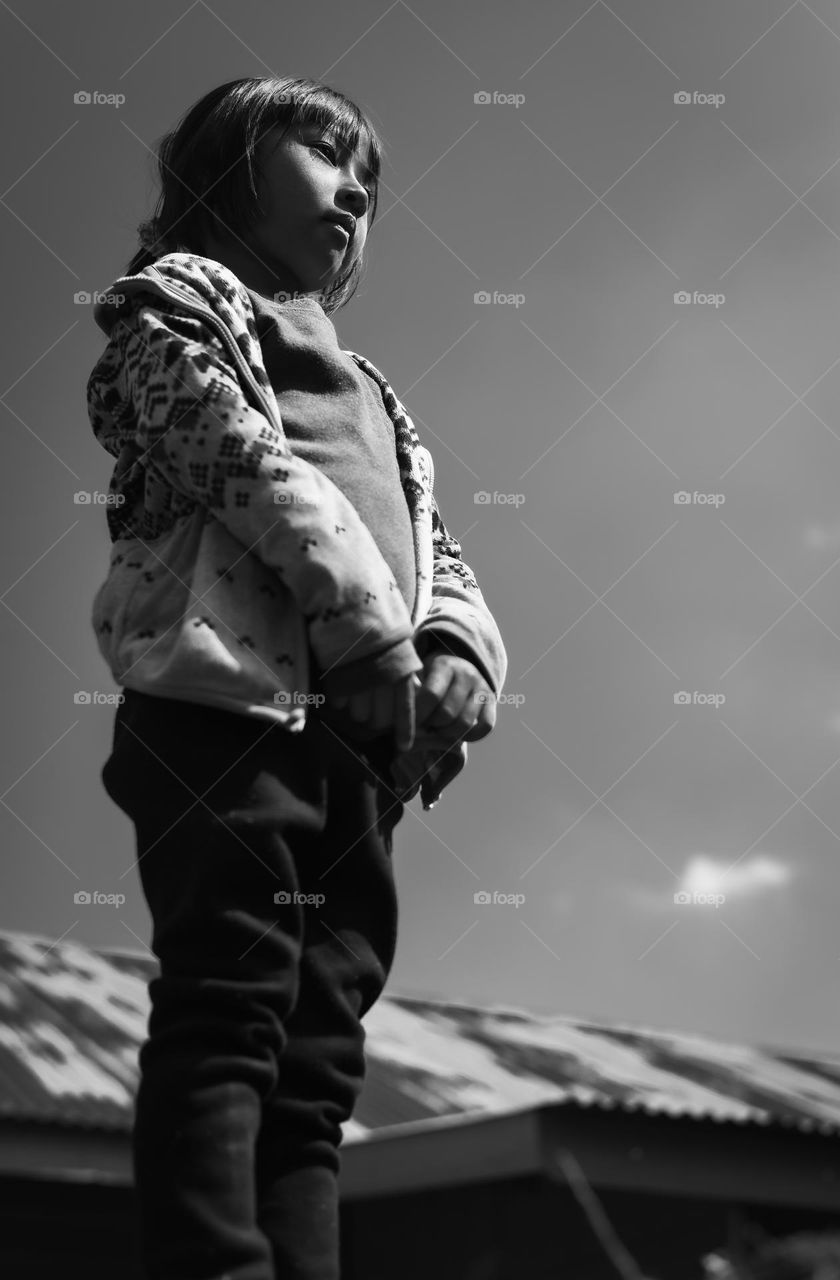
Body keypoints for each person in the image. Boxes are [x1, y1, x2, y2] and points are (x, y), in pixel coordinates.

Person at [88, 76, 508, 1280]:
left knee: (319, 1050)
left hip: (359, 745)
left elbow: (435, 544)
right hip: (223, 704)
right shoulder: (174, 311)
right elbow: (230, 452)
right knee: (230, 1003)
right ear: (225, 172)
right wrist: (363, 626)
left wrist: (455, 648)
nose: (355, 185)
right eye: (320, 150)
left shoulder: (377, 392)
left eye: (363, 171)